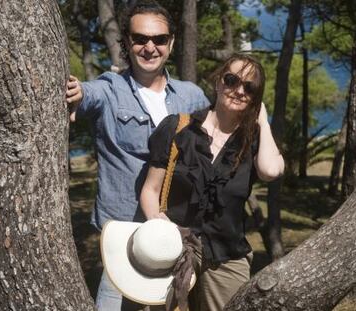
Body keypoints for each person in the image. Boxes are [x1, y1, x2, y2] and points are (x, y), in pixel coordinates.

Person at [65, 1, 210, 310]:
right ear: (126, 43)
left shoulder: (192, 96)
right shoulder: (110, 89)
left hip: (175, 242)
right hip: (124, 244)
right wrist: (75, 90)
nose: (149, 47)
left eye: (159, 39)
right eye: (140, 38)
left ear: (170, 43)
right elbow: (86, 93)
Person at [140, 53, 285, 311]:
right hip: (172, 250)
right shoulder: (178, 128)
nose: (239, 90)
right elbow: (150, 190)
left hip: (226, 257)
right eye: (232, 80)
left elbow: (271, 171)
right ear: (219, 81)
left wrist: (262, 120)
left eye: (250, 88)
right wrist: (157, 224)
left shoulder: (252, 143)